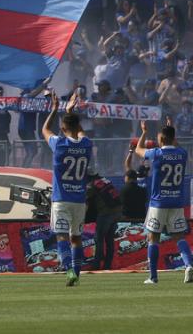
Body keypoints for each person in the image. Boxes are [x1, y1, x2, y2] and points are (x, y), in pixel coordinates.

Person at [134, 122, 193, 285]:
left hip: (158, 203)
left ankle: (153, 277)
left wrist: (144, 132)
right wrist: (171, 130)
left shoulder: (156, 153)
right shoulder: (182, 153)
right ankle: (188, 265)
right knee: (179, 237)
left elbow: (138, 150)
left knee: (153, 237)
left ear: (161, 138)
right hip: (176, 202)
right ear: (174, 138)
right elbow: (175, 144)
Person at [41, 91, 91, 287]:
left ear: (62, 128)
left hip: (61, 199)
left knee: (62, 236)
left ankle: (69, 270)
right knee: (76, 238)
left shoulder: (59, 144)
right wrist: (70, 112)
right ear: (78, 126)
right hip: (79, 200)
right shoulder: (86, 144)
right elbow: (81, 133)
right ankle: (76, 274)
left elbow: (45, 130)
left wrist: (55, 110)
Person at [86, 174, 121, 270]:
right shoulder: (105, 180)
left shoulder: (92, 184)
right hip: (117, 212)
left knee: (99, 239)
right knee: (109, 239)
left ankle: (97, 264)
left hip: (106, 213)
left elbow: (86, 197)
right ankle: (107, 265)